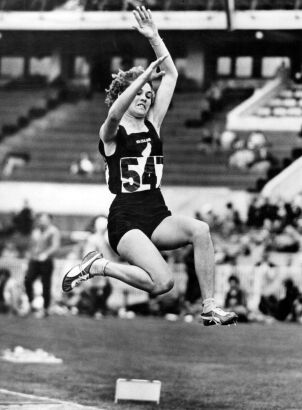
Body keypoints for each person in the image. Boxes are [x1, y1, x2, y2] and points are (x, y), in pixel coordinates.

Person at [62, 6, 237, 326]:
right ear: (124, 95)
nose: (146, 97)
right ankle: (98, 266)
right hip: (125, 216)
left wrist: (155, 38)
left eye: (148, 94)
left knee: (201, 230)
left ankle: (210, 307)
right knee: (162, 283)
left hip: (156, 211)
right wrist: (141, 75)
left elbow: (171, 75)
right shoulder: (112, 133)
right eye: (139, 94)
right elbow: (114, 114)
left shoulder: (153, 123)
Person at [24, 213, 61, 317]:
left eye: (44, 219)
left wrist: (46, 254)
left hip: (46, 262)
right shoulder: (35, 231)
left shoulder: (54, 231)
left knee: (46, 285)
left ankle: (45, 309)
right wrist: (29, 256)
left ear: (50, 220)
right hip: (34, 261)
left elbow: (55, 246)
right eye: (41, 219)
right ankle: (31, 303)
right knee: (28, 280)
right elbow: (31, 246)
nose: (42, 221)